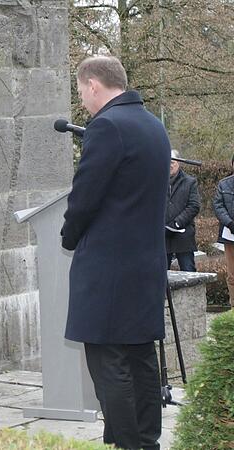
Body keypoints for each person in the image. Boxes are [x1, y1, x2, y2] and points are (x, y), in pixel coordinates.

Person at [61, 56, 170, 450]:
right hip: (145, 266)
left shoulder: (106, 126)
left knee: (110, 363)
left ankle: (129, 445)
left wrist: (68, 237)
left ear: (93, 84)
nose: (83, 102)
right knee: (141, 359)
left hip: (109, 270)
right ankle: (147, 441)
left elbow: (84, 198)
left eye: (80, 92)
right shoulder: (154, 126)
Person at [166, 149, 200, 272]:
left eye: (172, 162)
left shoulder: (190, 182)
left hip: (184, 235)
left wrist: (177, 223)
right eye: (167, 161)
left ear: (178, 163)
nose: (169, 165)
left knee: (189, 270)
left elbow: (194, 206)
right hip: (163, 235)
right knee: (161, 276)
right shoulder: (157, 181)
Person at [212, 153, 234, 307]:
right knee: (232, 275)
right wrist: (230, 223)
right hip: (230, 234)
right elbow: (218, 206)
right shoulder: (224, 184)